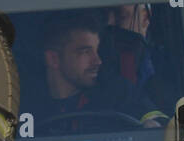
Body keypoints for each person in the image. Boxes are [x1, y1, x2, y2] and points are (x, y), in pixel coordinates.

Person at [24, 12, 167, 133]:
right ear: (53, 59)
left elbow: (152, 115)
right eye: (85, 52)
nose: (97, 61)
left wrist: (153, 122)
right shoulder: (24, 103)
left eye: (96, 50)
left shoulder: (115, 91)